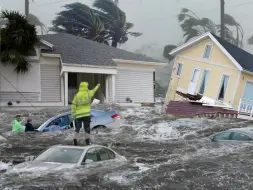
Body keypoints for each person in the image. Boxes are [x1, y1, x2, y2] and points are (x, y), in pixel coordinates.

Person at [71, 82, 100, 146]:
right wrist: (97, 86)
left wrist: (73, 113)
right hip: (86, 114)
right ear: (86, 86)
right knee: (87, 128)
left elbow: (73, 105)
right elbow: (94, 90)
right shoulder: (88, 93)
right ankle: (87, 141)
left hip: (78, 115)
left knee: (77, 128)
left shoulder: (77, 95)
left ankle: (75, 140)